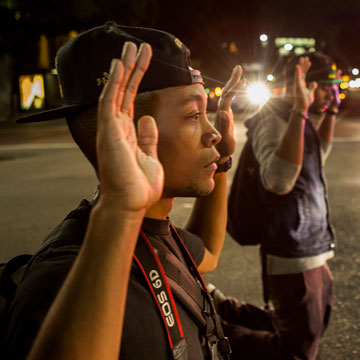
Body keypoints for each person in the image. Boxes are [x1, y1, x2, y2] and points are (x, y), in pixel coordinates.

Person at [0, 22, 244, 360]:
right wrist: (119, 210)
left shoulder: (155, 228)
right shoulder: (63, 284)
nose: (213, 132)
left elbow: (209, 254)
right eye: (193, 115)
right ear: (129, 130)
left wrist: (223, 160)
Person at [214, 52, 340, 360]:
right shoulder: (274, 119)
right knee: (297, 349)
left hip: (311, 243)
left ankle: (221, 309)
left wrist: (330, 112)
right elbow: (279, 180)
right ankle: (218, 338)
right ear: (307, 86)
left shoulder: (303, 117)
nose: (333, 92)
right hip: (290, 248)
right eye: (327, 87)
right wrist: (300, 110)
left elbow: (315, 158)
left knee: (310, 325)